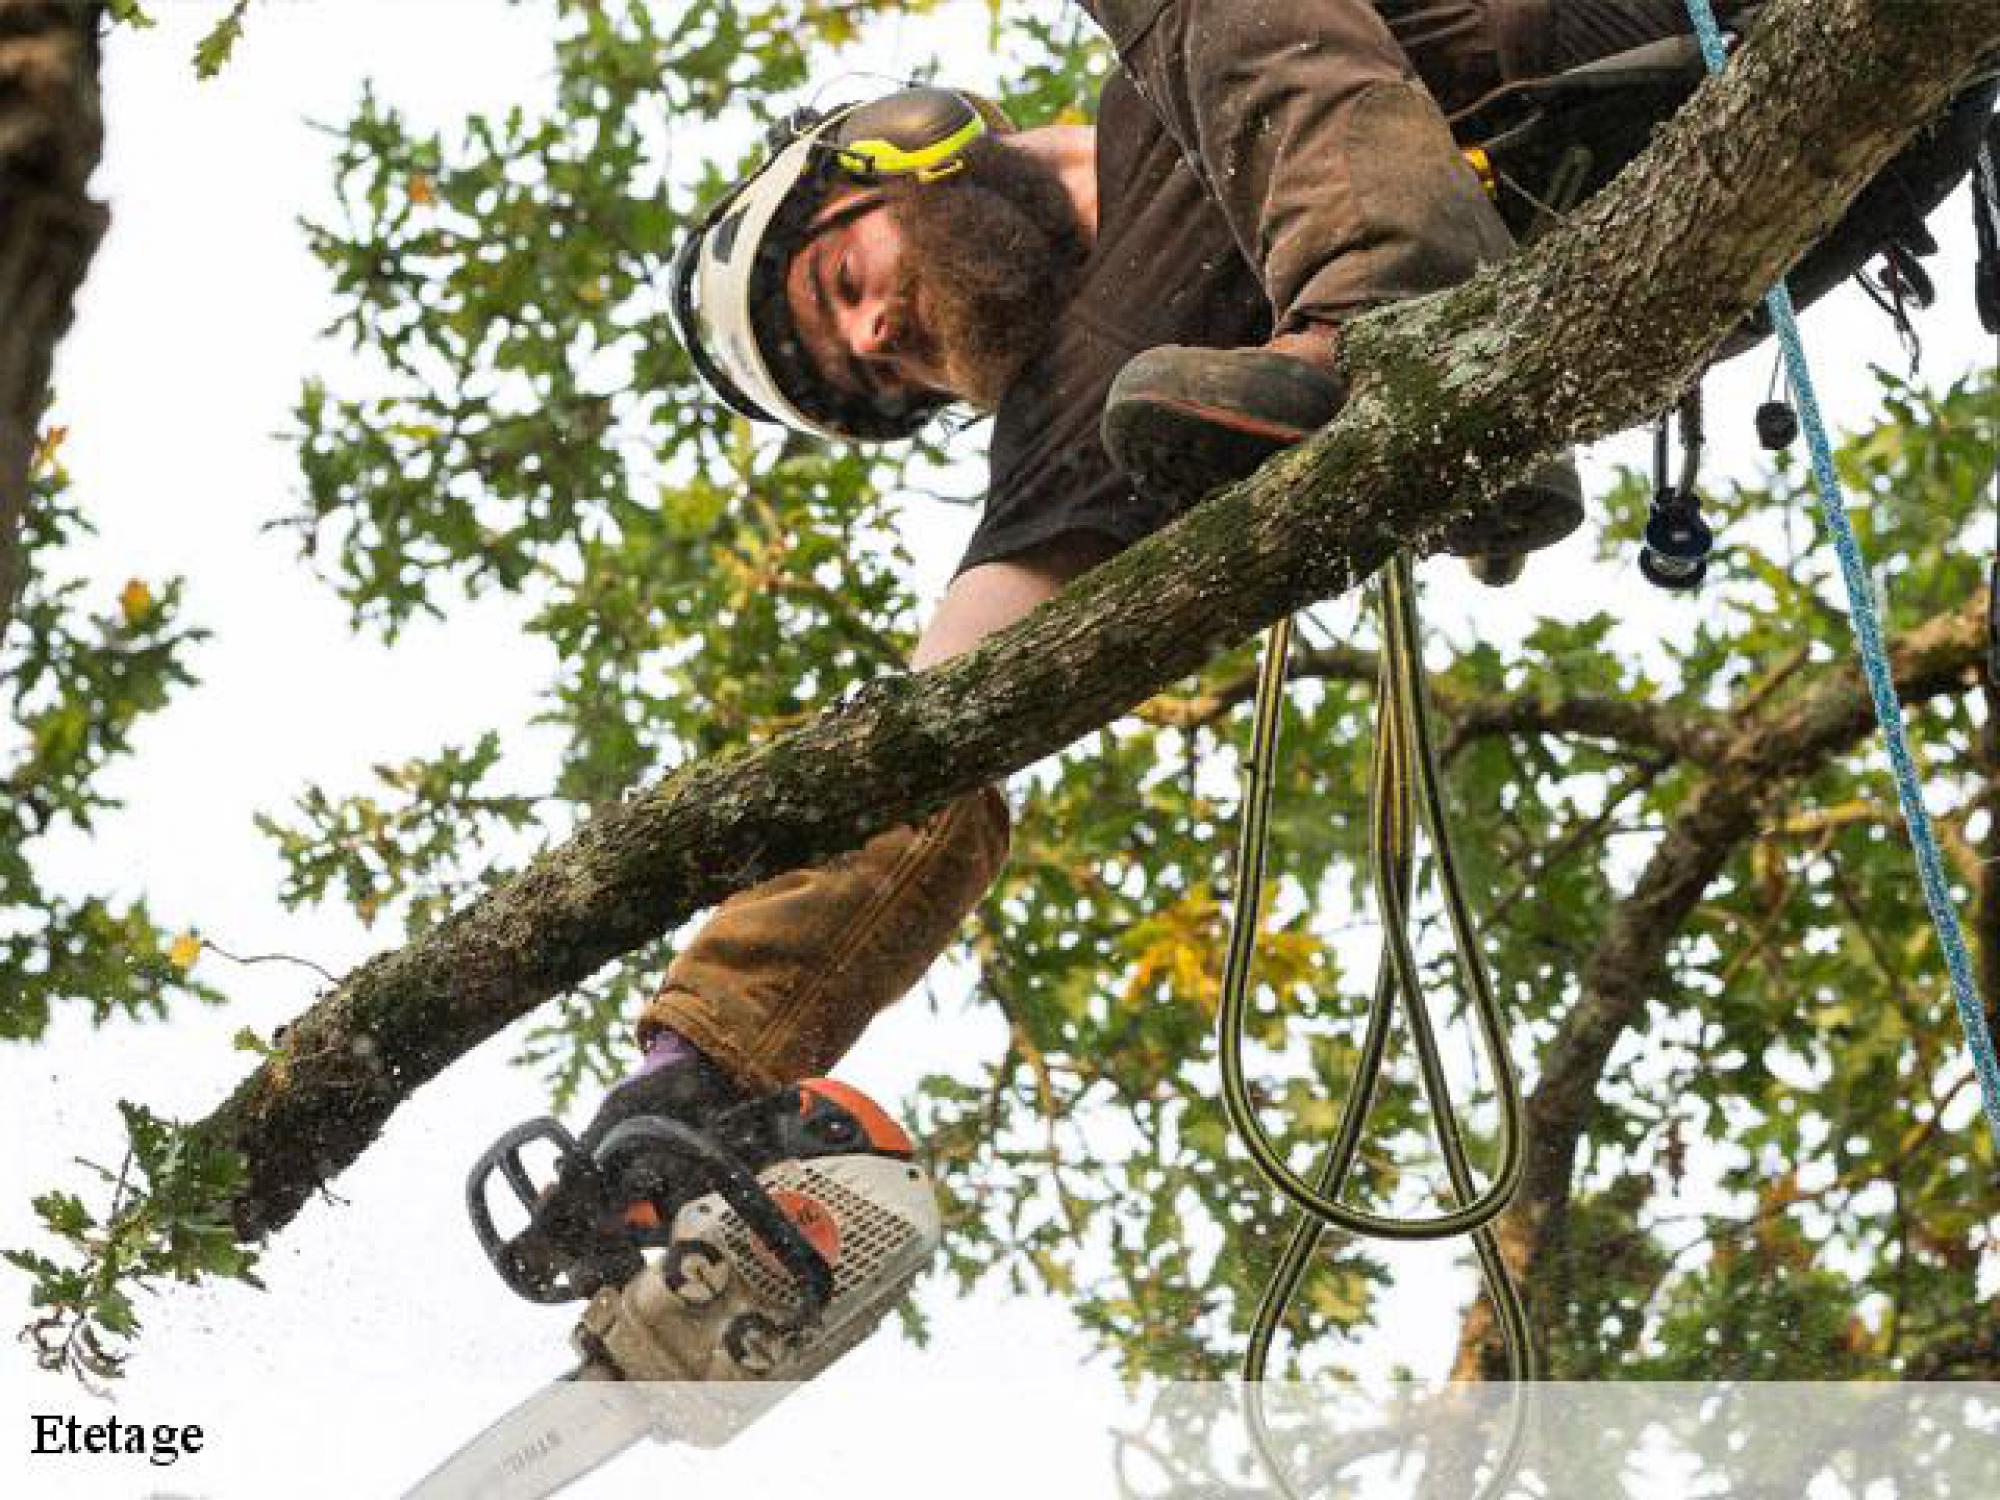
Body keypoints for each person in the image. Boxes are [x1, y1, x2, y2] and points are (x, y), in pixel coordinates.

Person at [601, 0, 1714, 1132]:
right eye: (879, 383)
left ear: (899, 141)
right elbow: (921, 742)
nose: (881, 335)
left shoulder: (1169, 65)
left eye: (843, 279)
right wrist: (694, 1061)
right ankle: (1425, 365)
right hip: (1714, 166)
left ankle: (1404, 325)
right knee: (1138, 415)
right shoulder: (1071, 425)